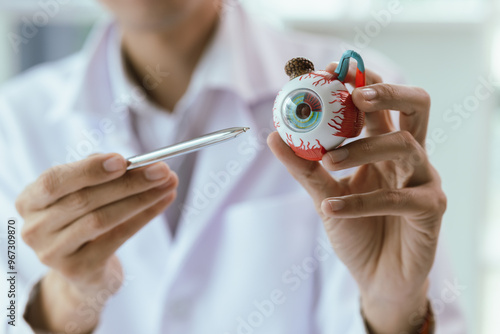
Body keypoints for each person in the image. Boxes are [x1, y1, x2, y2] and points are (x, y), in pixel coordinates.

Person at [0, 0, 466, 333]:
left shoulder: (362, 107)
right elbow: (8, 311)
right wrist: (70, 296)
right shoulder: (15, 122)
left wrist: (392, 308)